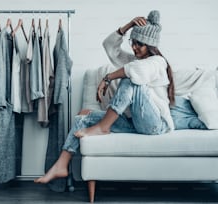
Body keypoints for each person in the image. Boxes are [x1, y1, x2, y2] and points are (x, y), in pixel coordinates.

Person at [34, 10, 175, 184]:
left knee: (131, 80)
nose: (134, 47)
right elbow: (109, 47)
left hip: (156, 125)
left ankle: (103, 126)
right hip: (135, 123)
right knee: (84, 116)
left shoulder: (158, 63)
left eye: (140, 44)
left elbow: (136, 72)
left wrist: (107, 78)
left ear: (150, 45)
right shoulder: (134, 60)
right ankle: (61, 165)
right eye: (133, 42)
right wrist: (128, 26)